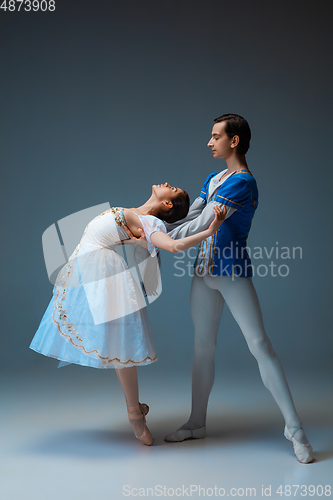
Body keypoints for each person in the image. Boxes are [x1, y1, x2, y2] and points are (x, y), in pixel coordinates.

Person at [163, 114, 314, 464]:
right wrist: (151, 223)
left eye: (216, 136)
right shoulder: (213, 177)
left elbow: (204, 224)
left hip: (231, 271)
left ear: (234, 141)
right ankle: (196, 422)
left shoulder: (244, 182)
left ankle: (295, 429)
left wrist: (156, 239)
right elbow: (189, 218)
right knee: (203, 346)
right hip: (203, 271)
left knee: (260, 345)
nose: (209, 142)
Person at [29, 182, 226, 446]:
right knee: (117, 343)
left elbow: (174, 246)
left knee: (121, 344)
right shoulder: (141, 217)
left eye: (174, 189)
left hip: (101, 270)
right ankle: (135, 412)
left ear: (167, 204)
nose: (168, 184)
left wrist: (210, 230)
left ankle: (135, 414)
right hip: (92, 265)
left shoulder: (151, 225)